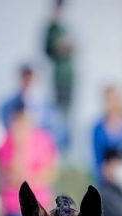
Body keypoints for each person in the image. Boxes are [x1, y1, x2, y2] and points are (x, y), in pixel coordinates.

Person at [0, 63, 62, 142]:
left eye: (30, 77)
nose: (28, 81)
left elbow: (56, 135)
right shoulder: (7, 106)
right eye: (24, 77)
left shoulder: (48, 109)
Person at [43, 0, 75, 137]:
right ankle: (58, 138)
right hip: (58, 76)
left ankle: (65, 138)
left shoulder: (64, 28)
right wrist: (60, 48)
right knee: (57, 110)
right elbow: (48, 50)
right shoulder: (52, 28)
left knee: (67, 110)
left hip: (68, 75)